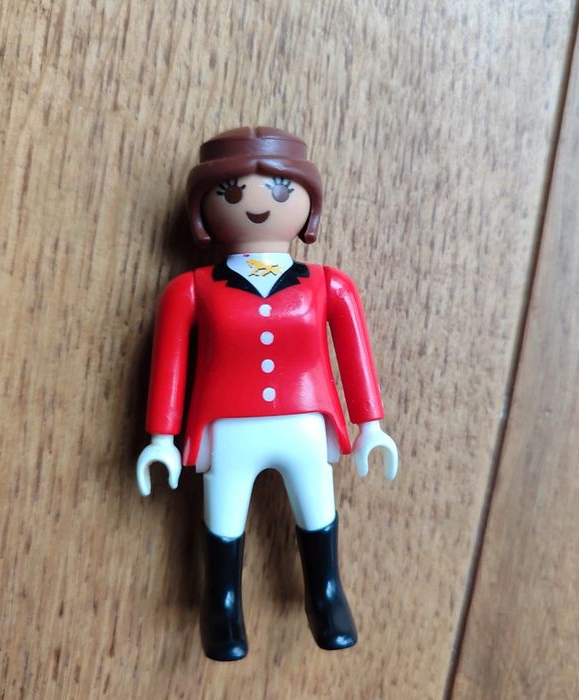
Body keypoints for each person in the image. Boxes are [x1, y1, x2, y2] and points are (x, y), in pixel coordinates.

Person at [137, 127, 398, 661]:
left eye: (281, 190)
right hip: (226, 427)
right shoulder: (190, 290)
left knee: (316, 507)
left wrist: (370, 425)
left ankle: (326, 593)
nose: (257, 204)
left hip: (305, 423)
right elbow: (170, 365)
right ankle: (222, 605)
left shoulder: (329, 284)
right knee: (224, 515)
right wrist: (161, 438)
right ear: (203, 210)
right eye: (231, 193)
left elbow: (355, 356)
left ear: (308, 204)